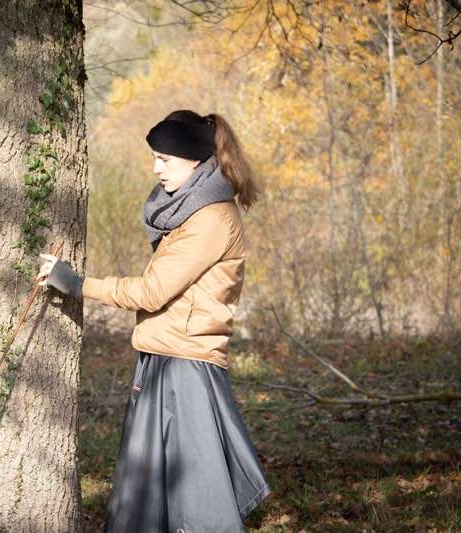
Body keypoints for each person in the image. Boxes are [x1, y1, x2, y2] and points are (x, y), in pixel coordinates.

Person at [36, 110, 271, 532]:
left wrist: (75, 283)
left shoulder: (211, 219)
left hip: (186, 367)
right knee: (146, 498)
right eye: (155, 158)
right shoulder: (190, 211)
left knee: (197, 505)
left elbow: (151, 292)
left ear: (196, 160)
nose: (156, 168)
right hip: (164, 357)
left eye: (166, 159)